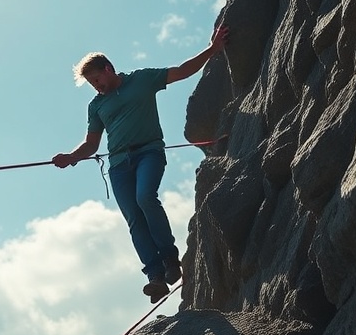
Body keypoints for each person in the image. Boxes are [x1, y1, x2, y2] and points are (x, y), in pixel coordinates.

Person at [52, 26, 229, 303]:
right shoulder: (96, 106)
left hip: (149, 153)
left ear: (108, 68)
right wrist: (70, 157)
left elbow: (181, 71)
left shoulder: (142, 80)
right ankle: (155, 276)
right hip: (119, 165)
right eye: (91, 84)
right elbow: (91, 144)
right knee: (134, 218)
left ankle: (170, 259)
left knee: (146, 197)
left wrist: (212, 49)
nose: (96, 87)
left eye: (97, 79)